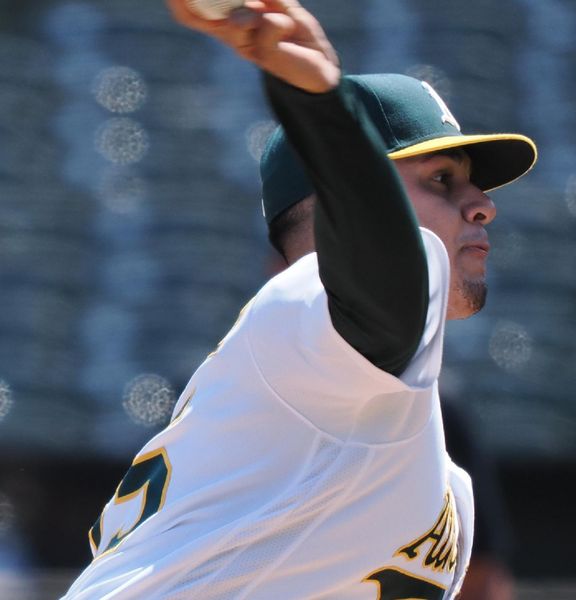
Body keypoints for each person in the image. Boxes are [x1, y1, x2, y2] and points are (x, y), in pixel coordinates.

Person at [62, 0, 537, 597]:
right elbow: (383, 268)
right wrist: (321, 106)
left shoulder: (349, 406)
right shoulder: (303, 304)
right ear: (342, 207)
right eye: (442, 179)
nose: (483, 204)